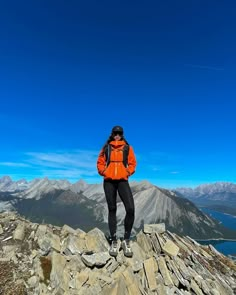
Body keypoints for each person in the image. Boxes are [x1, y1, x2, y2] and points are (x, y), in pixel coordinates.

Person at [97, 125, 137, 257]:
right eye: (115, 133)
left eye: (119, 133)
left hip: (122, 181)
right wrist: (103, 172)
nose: (117, 135)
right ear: (112, 134)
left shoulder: (127, 148)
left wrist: (127, 172)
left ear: (122, 134)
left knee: (130, 209)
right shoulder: (106, 147)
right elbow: (100, 161)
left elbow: (132, 163)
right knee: (112, 209)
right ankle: (114, 240)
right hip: (108, 181)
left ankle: (126, 240)